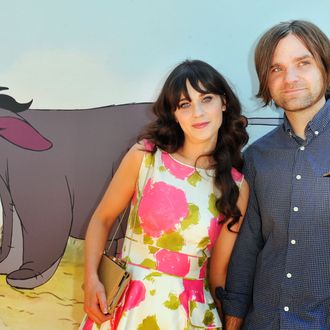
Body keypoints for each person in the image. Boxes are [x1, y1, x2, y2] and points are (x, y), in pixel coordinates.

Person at [80, 59, 249, 330]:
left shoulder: (237, 187)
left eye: (206, 99)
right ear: (174, 113)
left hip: (191, 315)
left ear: (224, 103)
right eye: (185, 104)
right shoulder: (145, 157)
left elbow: (218, 273)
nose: (198, 112)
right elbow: (102, 218)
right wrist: (91, 280)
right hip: (128, 306)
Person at [217, 20, 330, 329]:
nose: (290, 78)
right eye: (276, 69)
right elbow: (248, 244)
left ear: (326, 68)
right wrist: (233, 317)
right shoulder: (257, 157)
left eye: (303, 63)